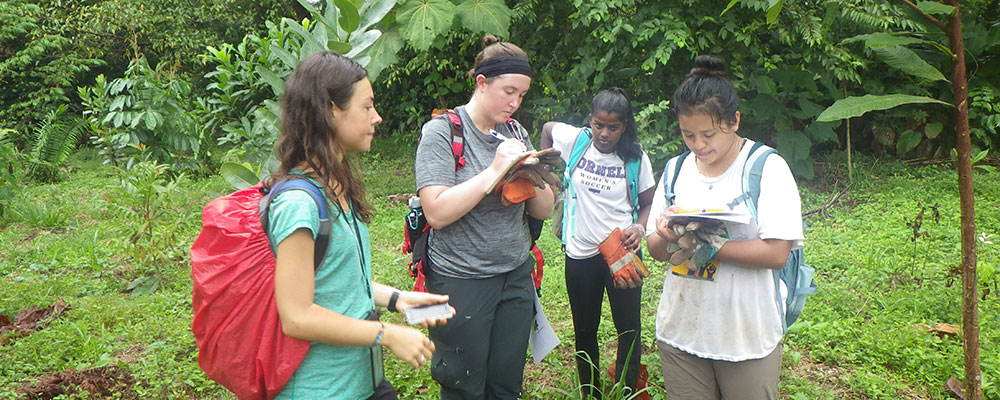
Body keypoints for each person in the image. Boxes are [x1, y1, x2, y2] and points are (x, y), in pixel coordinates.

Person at [268, 51, 453, 400]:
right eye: (367, 107)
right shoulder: (299, 204)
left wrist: (398, 299)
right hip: (319, 390)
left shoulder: (336, 187)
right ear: (330, 110)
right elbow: (296, 315)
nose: (377, 117)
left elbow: (335, 281)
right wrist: (387, 333)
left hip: (363, 384)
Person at [644, 55, 804, 400]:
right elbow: (655, 250)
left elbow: (777, 252)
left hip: (746, 336)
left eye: (708, 134)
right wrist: (667, 235)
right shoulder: (676, 169)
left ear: (734, 121)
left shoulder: (766, 168)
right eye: (688, 135)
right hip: (681, 331)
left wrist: (710, 245)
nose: (698, 145)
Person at [414, 34, 556, 399]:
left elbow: (543, 210)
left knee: (506, 383)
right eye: (509, 92)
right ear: (481, 83)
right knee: (462, 384)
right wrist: (495, 170)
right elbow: (437, 211)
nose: (515, 102)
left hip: (514, 276)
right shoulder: (442, 132)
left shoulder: (515, 132)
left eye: (521, 95)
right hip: (461, 279)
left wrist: (530, 170)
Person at [540, 87, 655, 398]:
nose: (604, 134)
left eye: (613, 127)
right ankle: (590, 392)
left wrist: (639, 229)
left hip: (622, 254)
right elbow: (548, 130)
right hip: (580, 254)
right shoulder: (576, 141)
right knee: (585, 330)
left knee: (629, 329)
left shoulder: (635, 158)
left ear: (625, 126)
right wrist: (546, 169)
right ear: (589, 121)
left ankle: (628, 391)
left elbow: (647, 202)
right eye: (598, 125)